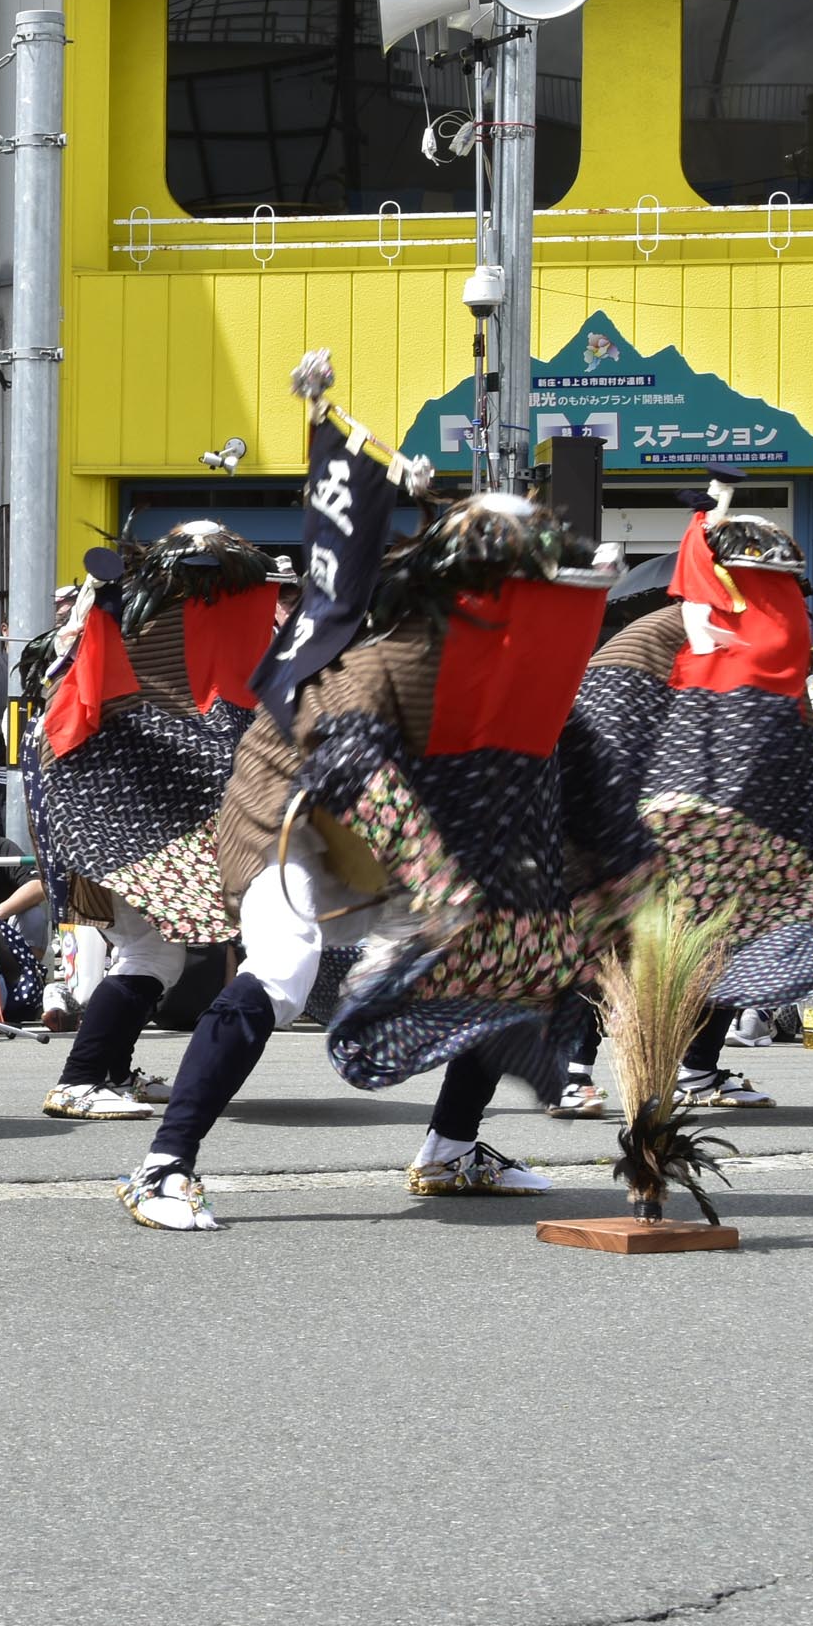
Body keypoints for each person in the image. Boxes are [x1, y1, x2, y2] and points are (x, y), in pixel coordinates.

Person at [123, 479, 648, 1234]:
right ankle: (163, 1164)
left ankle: (451, 1151)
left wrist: (626, 878)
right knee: (283, 967)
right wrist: (437, 886)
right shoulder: (386, 644)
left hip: (411, 826)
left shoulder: (521, 658)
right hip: (288, 810)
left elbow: (577, 770)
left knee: (508, 953)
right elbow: (349, 767)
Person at [556, 496, 813, 1094]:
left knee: (738, 938)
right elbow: (602, 737)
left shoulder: (765, 642)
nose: (786, 594)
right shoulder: (659, 634)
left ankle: (697, 1067)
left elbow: (787, 745)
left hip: (725, 825)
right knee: (617, 940)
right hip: (643, 815)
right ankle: (575, 1069)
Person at [27, 521, 276, 1122]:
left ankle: (112, 1072)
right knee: (152, 953)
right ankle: (78, 1079)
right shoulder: (151, 634)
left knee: (144, 949)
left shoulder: (126, 624)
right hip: (112, 808)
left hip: (111, 802)